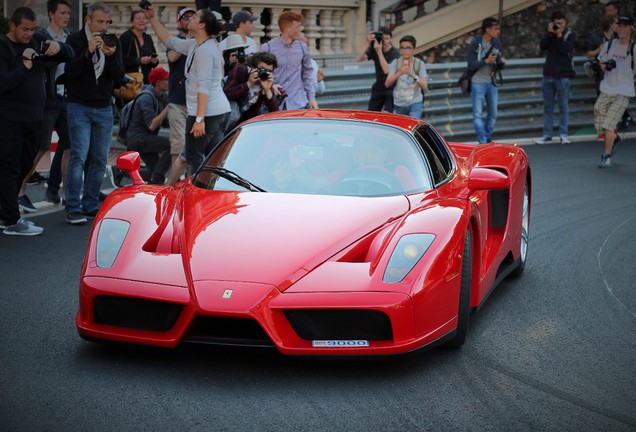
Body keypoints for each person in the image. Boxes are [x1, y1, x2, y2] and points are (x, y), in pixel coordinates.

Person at [0, 6, 74, 235]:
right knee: (10, 167)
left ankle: (7, 212)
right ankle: (11, 220)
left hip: (35, 117)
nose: (29, 34)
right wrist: (24, 65)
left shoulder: (38, 39)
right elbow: (4, 84)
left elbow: (70, 54)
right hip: (10, 119)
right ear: (13, 26)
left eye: (32, 29)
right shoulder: (3, 47)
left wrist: (57, 46)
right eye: (25, 29)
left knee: (24, 167)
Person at [147, 6, 230, 173]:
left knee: (194, 157)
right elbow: (170, 41)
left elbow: (203, 87)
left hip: (208, 113)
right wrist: (152, 18)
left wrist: (199, 120)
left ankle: (200, 194)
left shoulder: (205, 50)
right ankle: (209, 193)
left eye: (195, 17)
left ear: (201, 25)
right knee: (213, 160)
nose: (189, 18)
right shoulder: (196, 44)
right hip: (216, 111)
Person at [64, 2, 124, 225]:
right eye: (100, 21)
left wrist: (109, 56)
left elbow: (119, 76)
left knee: (100, 158)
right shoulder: (75, 40)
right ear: (88, 20)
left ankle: (90, 205)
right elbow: (71, 74)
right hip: (79, 105)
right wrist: (88, 52)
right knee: (79, 155)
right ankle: (72, 206)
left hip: (104, 106)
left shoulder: (111, 40)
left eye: (107, 22)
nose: (104, 27)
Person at [17, 0, 73, 211]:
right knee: (40, 148)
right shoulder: (40, 36)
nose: (66, 16)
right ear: (51, 14)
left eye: (68, 12)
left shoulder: (69, 37)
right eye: (62, 12)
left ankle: (66, 193)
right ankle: (20, 191)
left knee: (69, 146)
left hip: (66, 98)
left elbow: (73, 58)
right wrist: (57, 53)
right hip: (47, 99)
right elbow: (40, 64)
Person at [594, 15, 636, 168]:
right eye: (619, 25)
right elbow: (600, 62)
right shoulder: (609, 45)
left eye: (625, 26)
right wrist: (603, 65)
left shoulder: (633, 48)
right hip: (607, 89)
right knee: (599, 121)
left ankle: (606, 156)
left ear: (631, 29)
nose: (621, 28)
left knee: (608, 124)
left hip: (623, 91)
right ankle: (616, 138)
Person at [260, 11, 318, 110]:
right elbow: (260, 74)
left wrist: (311, 98)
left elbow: (307, 75)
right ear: (287, 28)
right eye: (298, 27)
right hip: (273, 104)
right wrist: (271, 85)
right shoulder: (268, 48)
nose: (300, 30)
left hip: (298, 104)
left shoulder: (302, 47)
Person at [535, 11, 576, 145]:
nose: (559, 25)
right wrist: (550, 34)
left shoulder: (569, 35)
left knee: (563, 107)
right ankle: (547, 135)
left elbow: (566, 50)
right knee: (548, 108)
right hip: (548, 76)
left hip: (563, 76)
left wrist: (559, 36)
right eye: (556, 23)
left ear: (565, 23)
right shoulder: (550, 35)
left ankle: (563, 134)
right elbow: (542, 47)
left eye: (561, 23)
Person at [165, 7, 194, 186]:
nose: (189, 20)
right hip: (177, 100)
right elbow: (173, 57)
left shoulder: (202, 42)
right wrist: (188, 38)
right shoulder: (176, 41)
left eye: (193, 17)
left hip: (195, 102)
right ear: (179, 22)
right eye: (186, 18)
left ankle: (190, 183)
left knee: (193, 146)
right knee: (178, 143)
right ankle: (175, 183)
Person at [465, 17, 506, 144]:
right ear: (487, 29)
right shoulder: (475, 43)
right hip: (478, 82)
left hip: (492, 81)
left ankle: (488, 138)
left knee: (493, 113)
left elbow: (499, 61)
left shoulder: (496, 43)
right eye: (495, 28)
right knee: (478, 114)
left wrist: (502, 63)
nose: (498, 31)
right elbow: (470, 65)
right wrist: (486, 61)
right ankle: (482, 140)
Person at [126, 67, 171, 184]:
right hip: (138, 139)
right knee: (171, 144)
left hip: (147, 138)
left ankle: (121, 172)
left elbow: (165, 122)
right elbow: (151, 125)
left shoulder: (163, 96)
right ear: (158, 82)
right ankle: (156, 179)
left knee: (155, 171)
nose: (169, 81)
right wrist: (167, 109)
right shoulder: (146, 97)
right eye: (167, 79)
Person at [223, 50, 279, 128]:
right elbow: (227, 94)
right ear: (253, 67)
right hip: (228, 119)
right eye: (262, 69)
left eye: (269, 71)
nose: (265, 73)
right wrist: (248, 84)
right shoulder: (241, 70)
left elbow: (275, 112)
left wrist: (267, 90)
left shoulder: (266, 80)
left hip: (244, 123)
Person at [355, 27, 400, 112]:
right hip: (378, 88)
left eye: (387, 38)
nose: (385, 41)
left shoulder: (395, 53)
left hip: (391, 89)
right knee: (371, 115)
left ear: (391, 39)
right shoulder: (375, 49)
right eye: (383, 38)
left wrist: (379, 51)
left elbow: (386, 70)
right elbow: (358, 58)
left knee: (388, 115)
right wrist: (367, 42)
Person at [385, 35, 428, 119]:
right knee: (400, 129)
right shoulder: (396, 63)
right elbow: (387, 84)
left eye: (408, 48)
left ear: (414, 50)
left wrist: (412, 74)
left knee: (412, 128)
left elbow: (425, 86)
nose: (405, 51)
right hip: (399, 104)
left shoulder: (419, 64)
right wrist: (399, 73)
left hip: (415, 103)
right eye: (402, 48)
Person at [119, 8, 158, 85]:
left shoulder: (148, 37)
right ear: (132, 22)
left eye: (144, 18)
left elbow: (154, 60)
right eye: (138, 19)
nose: (142, 21)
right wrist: (139, 60)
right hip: (131, 81)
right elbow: (120, 59)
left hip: (146, 80)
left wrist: (154, 61)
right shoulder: (126, 37)